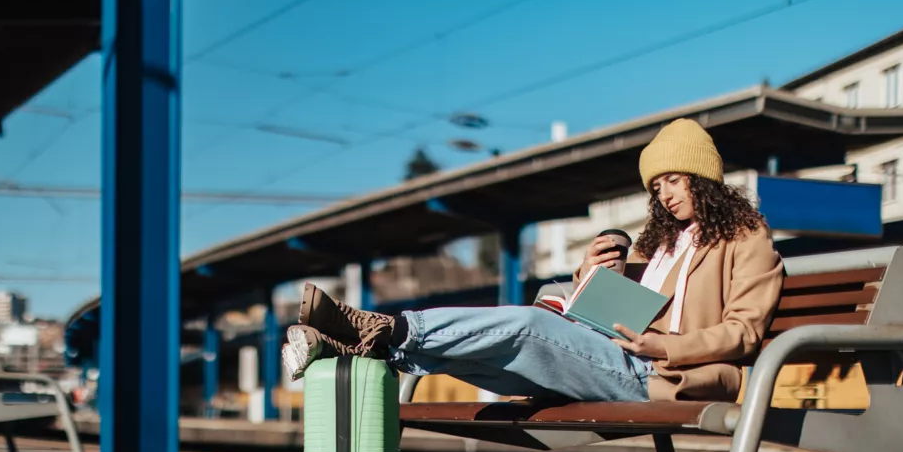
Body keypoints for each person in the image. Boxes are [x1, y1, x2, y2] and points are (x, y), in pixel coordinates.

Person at [280, 118, 784, 404]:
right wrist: (587, 277)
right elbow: (617, 309)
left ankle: (382, 329)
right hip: (607, 356)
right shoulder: (659, 246)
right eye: (656, 187)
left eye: (674, 179)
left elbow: (743, 332)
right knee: (491, 350)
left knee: (521, 324)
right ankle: (363, 347)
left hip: (660, 373)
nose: (666, 195)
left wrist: (666, 346)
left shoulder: (745, 237)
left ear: (703, 176)